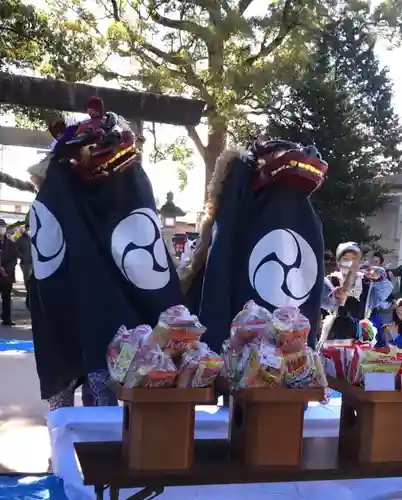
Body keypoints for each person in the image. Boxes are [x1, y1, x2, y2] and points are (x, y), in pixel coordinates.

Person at [0, 219, 18, 326]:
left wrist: (5, 270)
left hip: (7, 275)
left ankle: (6, 318)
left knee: (6, 297)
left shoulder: (11, 244)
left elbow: (14, 259)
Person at [15, 225, 32, 310]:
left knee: (32, 280)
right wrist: (22, 256)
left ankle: (30, 298)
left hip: (33, 263)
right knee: (28, 280)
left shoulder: (32, 238)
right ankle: (29, 298)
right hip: (25, 263)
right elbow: (15, 249)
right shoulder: (21, 239)